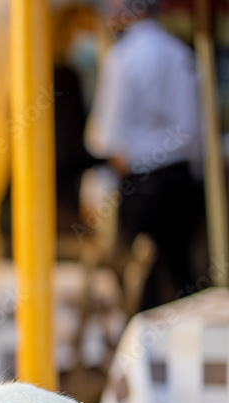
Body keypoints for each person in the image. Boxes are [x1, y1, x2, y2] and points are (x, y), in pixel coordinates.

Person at [85, 0, 204, 309]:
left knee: (143, 281)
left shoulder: (121, 59)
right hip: (181, 179)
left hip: (143, 183)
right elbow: (196, 128)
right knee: (183, 274)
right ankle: (186, 350)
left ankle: (145, 355)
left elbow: (108, 138)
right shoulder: (182, 55)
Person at [0, 5, 103, 259]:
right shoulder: (65, 78)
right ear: (67, 33)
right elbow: (65, 152)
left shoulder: (30, 78)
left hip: (15, 208)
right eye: (86, 30)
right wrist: (109, 160)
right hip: (50, 211)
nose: (93, 39)